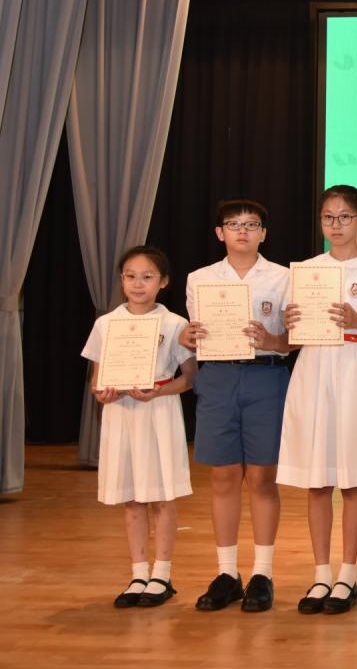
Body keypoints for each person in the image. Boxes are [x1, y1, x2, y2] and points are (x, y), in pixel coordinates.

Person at [278, 184, 357, 615]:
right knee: (318, 478)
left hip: (352, 368)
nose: (336, 225)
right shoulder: (306, 270)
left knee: (352, 477)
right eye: (329, 217)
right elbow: (291, 339)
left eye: (345, 217)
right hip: (313, 369)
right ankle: (320, 573)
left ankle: (348, 574)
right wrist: (291, 323)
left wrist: (356, 317)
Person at [180, 199, 291, 613]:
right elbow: (197, 334)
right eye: (233, 224)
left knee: (262, 477)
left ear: (264, 233)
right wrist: (188, 337)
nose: (242, 231)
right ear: (219, 232)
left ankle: (263, 573)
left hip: (266, 376)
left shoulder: (283, 277)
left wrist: (272, 341)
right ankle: (227, 573)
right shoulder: (200, 279)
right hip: (218, 377)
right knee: (224, 477)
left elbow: (294, 338)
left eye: (251, 224)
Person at [82, 245, 197, 608]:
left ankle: (161, 573)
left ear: (163, 282)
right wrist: (102, 393)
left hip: (159, 413)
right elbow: (97, 378)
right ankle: (138, 572)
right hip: (121, 415)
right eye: (130, 276)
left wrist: (158, 390)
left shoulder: (175, 324)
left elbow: (190, 378)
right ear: (121, 280)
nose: (138, 283)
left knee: (161, 495)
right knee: (132, 497)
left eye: (147, 277)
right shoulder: (106, 324)